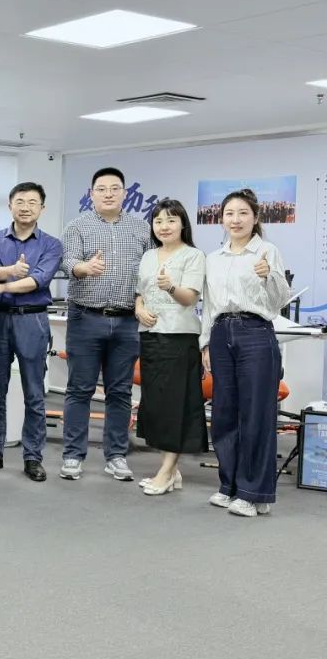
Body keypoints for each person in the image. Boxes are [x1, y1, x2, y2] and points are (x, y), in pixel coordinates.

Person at [201, 189, 289, 517]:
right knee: (224, 413)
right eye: (229, 214)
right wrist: (205, 343)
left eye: (242, 213)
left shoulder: (267, 251)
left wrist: (270, 276)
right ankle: (230, 486)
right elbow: (209, 304)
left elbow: (279, 301)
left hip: (255, 332)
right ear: (221, 219)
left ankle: (253, 493)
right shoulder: (213, 258)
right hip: (221, 333)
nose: (235, 220)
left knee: (256, 414)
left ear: (255, 218)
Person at [59, 167, 150, 482]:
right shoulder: (77, 226)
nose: (108, 194)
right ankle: (73, 455)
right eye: (101, 189)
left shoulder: (141, 228)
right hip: (86, 317)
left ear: (124, 193)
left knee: (120, 391)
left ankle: (116, 456)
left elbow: (150, 271)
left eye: (114, 188)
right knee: (79, 390)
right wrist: (83, 268)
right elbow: (67, 261)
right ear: (91, 194)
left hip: (126, 321)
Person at [0, 182, 62, 483]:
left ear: (42, 208)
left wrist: (3, 286)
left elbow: (38, 280)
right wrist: (9, 272)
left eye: (32, 202)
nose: (25, 207)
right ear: (10, 205)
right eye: (20, 201)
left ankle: (33, 457)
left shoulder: (51, 245)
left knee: (34, 393)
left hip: (32, 320)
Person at [133, 199, 208, 496]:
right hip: (151, 336)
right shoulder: (148, 256)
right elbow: (140, 292)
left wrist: (171, 287)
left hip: (178, 337)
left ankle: (166, 472)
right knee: (157, 405)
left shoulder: (193, 255)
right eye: (159, 221)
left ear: (183, 224)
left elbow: (190, 298)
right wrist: (139, 308)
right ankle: (171, 470)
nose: (164, 226)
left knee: (176, 405)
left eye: (171, 220)